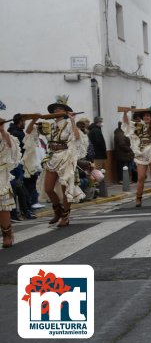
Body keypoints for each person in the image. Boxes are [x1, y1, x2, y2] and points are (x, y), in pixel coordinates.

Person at [24, 95, 88, 227]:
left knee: (66, 189)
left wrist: (73, 120)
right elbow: (29, 132)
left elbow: (77, 138)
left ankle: (65, 216)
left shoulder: (69, 124)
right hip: (52, 157)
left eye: (60, 109)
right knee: (48, 188)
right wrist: (33, 120)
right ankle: (57, 211)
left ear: (64, 112)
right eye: (55, 109)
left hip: (66, 157)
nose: (57, 111)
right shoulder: (48, 125)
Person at [121, 107, 151, 207]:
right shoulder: (139, 126)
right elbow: (127, 123)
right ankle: (138, 199)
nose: (146, 117)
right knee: (141, 177)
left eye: (148, 116)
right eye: (145, 116)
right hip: (141, 154)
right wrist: (125, 113)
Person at [1, 114, 21, 247]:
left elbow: (11, 148)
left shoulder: (6, 136)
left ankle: (7, 234)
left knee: (2, 206)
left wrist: (2, 130)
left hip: (0, 174)